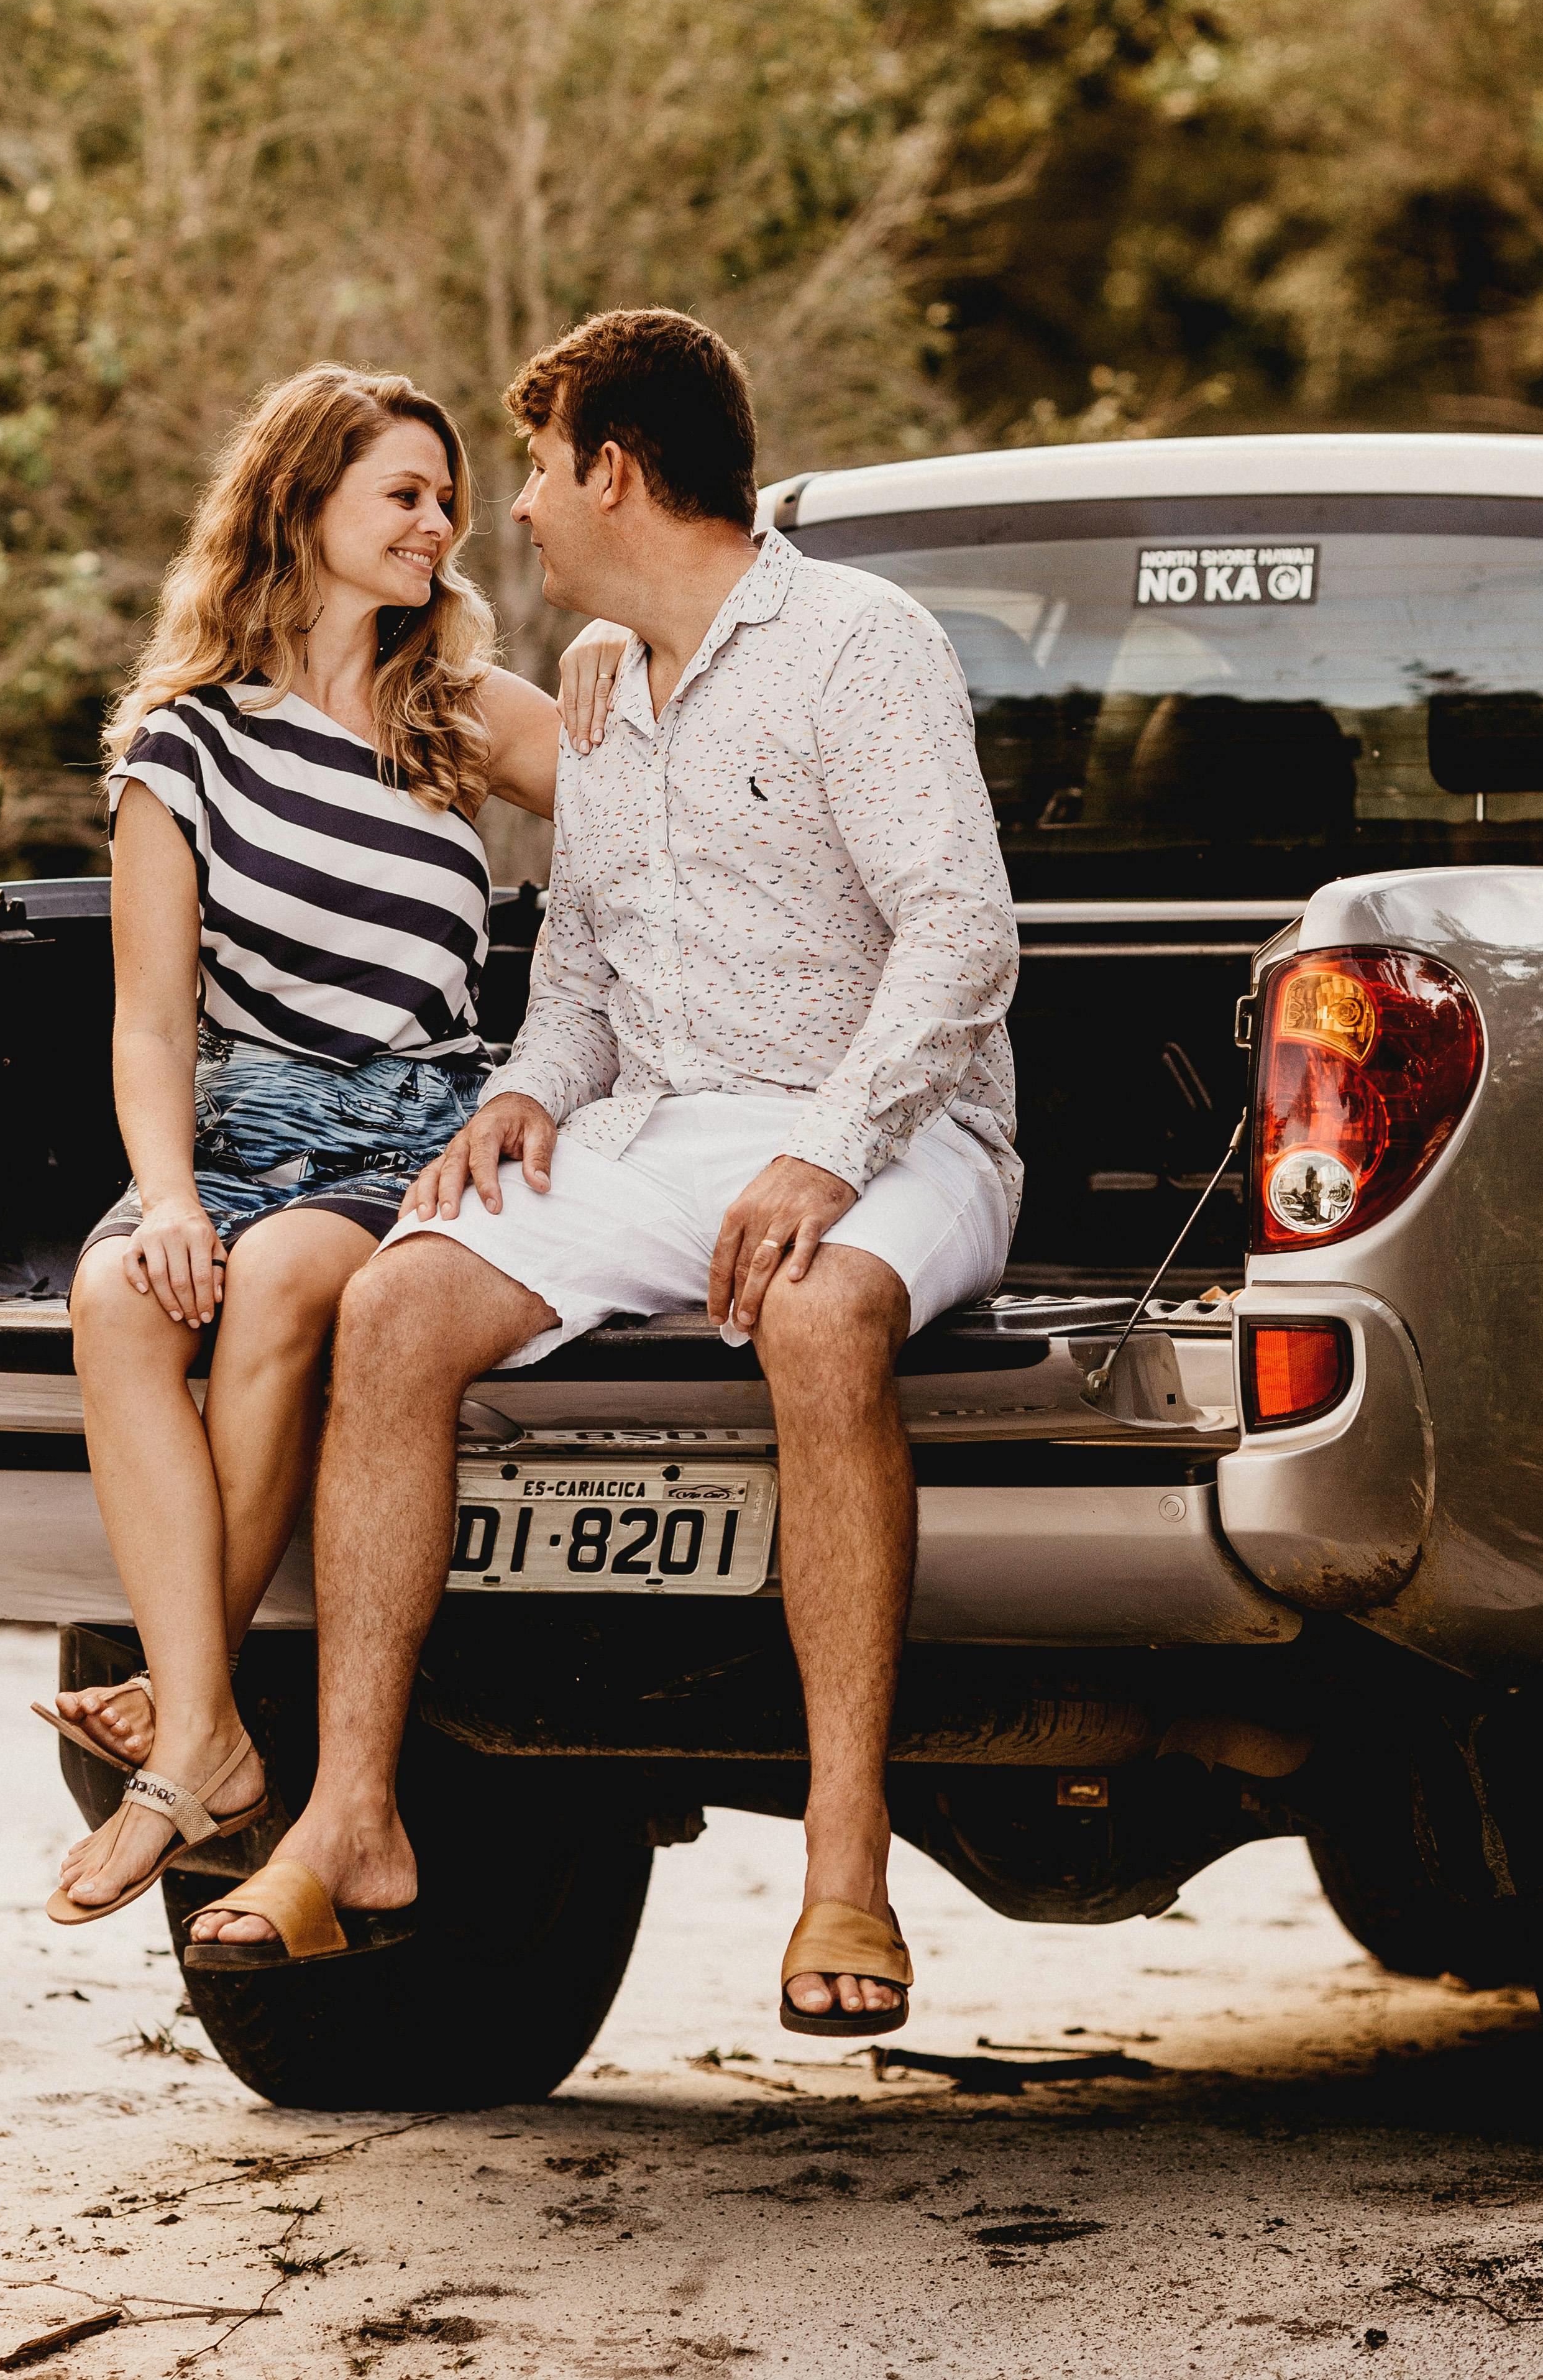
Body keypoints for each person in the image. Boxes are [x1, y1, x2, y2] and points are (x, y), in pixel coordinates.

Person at [186, 309, 1020, 2032]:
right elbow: (581, 966)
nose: (523, 521)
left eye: (542, 475)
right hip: (663, 1132)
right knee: (401, 1304)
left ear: (613, 468)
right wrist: (526, 1092)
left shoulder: (858, 643)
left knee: (813, 1315)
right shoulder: (602, 688)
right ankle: (350, 1820)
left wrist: (825, 1154)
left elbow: (959, 937)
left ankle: (846, 1869)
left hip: (900, 1120)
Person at [43, 364, 618, 1924]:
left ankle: (183, 1739)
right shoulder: (185, 748)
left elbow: (663, 816)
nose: (441, 523)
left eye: (446, 498)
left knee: (293, 1277)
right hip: (237, 1117)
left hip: (409, 1123)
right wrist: (163, 1195)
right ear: (302, 508)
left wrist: (628, 652)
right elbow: (151, 1022)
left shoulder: (461, 716)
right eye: (406, 494)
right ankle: (211, 1722)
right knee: (117, 1298)